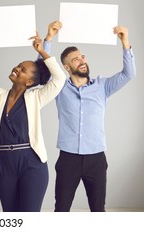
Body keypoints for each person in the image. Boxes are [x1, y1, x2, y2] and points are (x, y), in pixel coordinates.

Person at [0, 32, 66, 212]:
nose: (17, 68)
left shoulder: (36, 97)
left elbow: (59, 79)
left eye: (23, 70)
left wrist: (42, 51)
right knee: (10, 216)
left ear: (30, 81)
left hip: (32, 163)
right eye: (18, 66)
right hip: (5, 163)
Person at [43, 21, 136, 212]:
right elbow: (43, 72)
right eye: (75, 59)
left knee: (97, 210)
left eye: (82, 56)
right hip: (68, 158)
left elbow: (129, 74)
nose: (82, 60)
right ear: (67, 67)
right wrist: (48, 39)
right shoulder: (59, 86)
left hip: (96, 158)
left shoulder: (102, 86)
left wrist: (125, 42)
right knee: (61, 209)